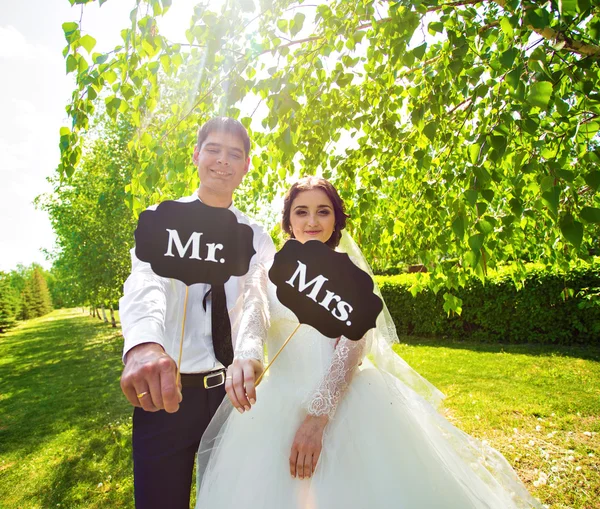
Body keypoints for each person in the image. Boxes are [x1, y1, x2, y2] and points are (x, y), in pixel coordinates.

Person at [194, 176, 542, 508]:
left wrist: (317, 419)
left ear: (335, 220)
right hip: (276, 401)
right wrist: (249, 355)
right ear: (287, 220)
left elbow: (353, 345)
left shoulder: (352, 278)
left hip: (342, 405)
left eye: (323, 211)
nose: (312, 220)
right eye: (301, 211)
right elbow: (256, 314)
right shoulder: (267, 269)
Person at [119, 117, 275, 509]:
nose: (223, 161)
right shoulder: (163, 218)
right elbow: (146, 281)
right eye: (214, 150)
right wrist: (144, 344)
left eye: (234, 154)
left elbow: (258, 298)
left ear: (246, 166)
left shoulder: (255, 236)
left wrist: (249, 353)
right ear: (196, 155)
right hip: (164, 395)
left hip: (230, 397)